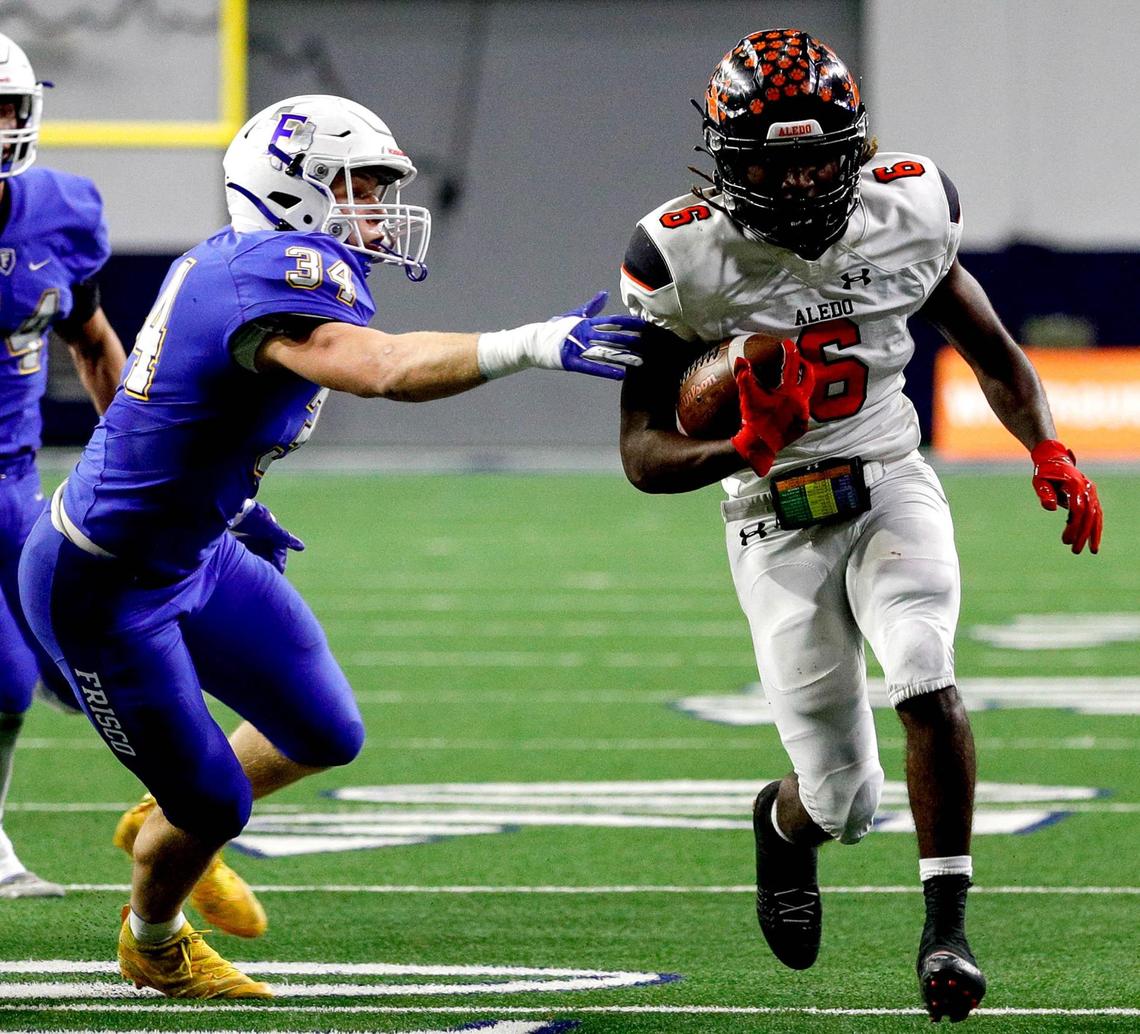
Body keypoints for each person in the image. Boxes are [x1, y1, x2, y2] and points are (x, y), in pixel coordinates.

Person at [16, 92, 642, 999]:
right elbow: (379, 369)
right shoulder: (272, 272)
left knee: (322, 730)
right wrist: (537, 341)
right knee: (217, 804)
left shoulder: (257, 262)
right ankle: (153, 938)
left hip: (192, 549)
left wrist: (219, 506)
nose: (378, 207)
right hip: (101, 582)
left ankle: (167, 810)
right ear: (292, 187)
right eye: (358, 184)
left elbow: (164, 418)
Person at [616, 28, 1103, 1024]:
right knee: (842, 801)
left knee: (925, 669)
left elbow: (993, 349)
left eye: (814, 160)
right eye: (771, 165)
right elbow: (641, 453)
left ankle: (948, 926)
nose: (797, 187)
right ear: (726, 162)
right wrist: (743, 445)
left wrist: (1048, 447)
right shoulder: (681, 253)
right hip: (770, 513)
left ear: (853, 148)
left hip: (888, 476)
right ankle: (783, 822)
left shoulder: (907, 208)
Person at [0, 33, 126, 898]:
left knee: (68, 678)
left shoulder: (60, 209)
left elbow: (88, 334)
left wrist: (138, 450)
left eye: (5, 106)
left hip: (12, 485)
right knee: (6, 681)